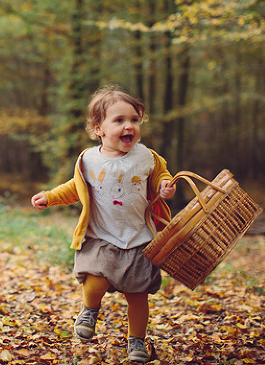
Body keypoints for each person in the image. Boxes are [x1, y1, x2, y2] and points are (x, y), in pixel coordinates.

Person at [31, 87, 176, 363]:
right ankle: (89, 309)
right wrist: (49, 197)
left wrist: (165, 186)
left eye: (134, 120)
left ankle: (136, 341)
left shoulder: (146, 157)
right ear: (98, 128)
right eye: (119, 120)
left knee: (137, 295)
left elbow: (161, 177)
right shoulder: (88, 159)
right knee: (94, 280)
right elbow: (76, 188)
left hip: (138, 238)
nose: (129, 126)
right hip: (101, 237)